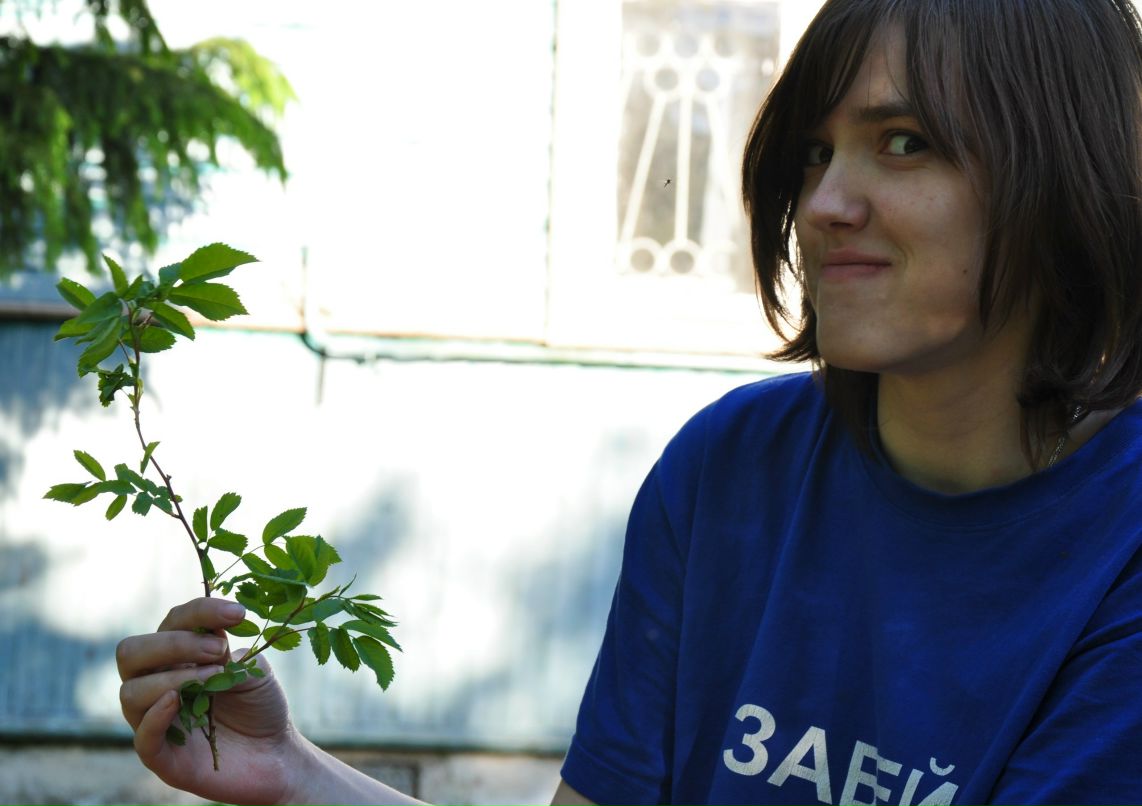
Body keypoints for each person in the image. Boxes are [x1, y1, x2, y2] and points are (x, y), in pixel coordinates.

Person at [115, 0, 1142, 803]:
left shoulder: (1119, 546)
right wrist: (293, 773)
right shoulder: (733, 469)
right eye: (815, 151)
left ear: (1064, 173)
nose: (825, 203)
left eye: (903, 141)